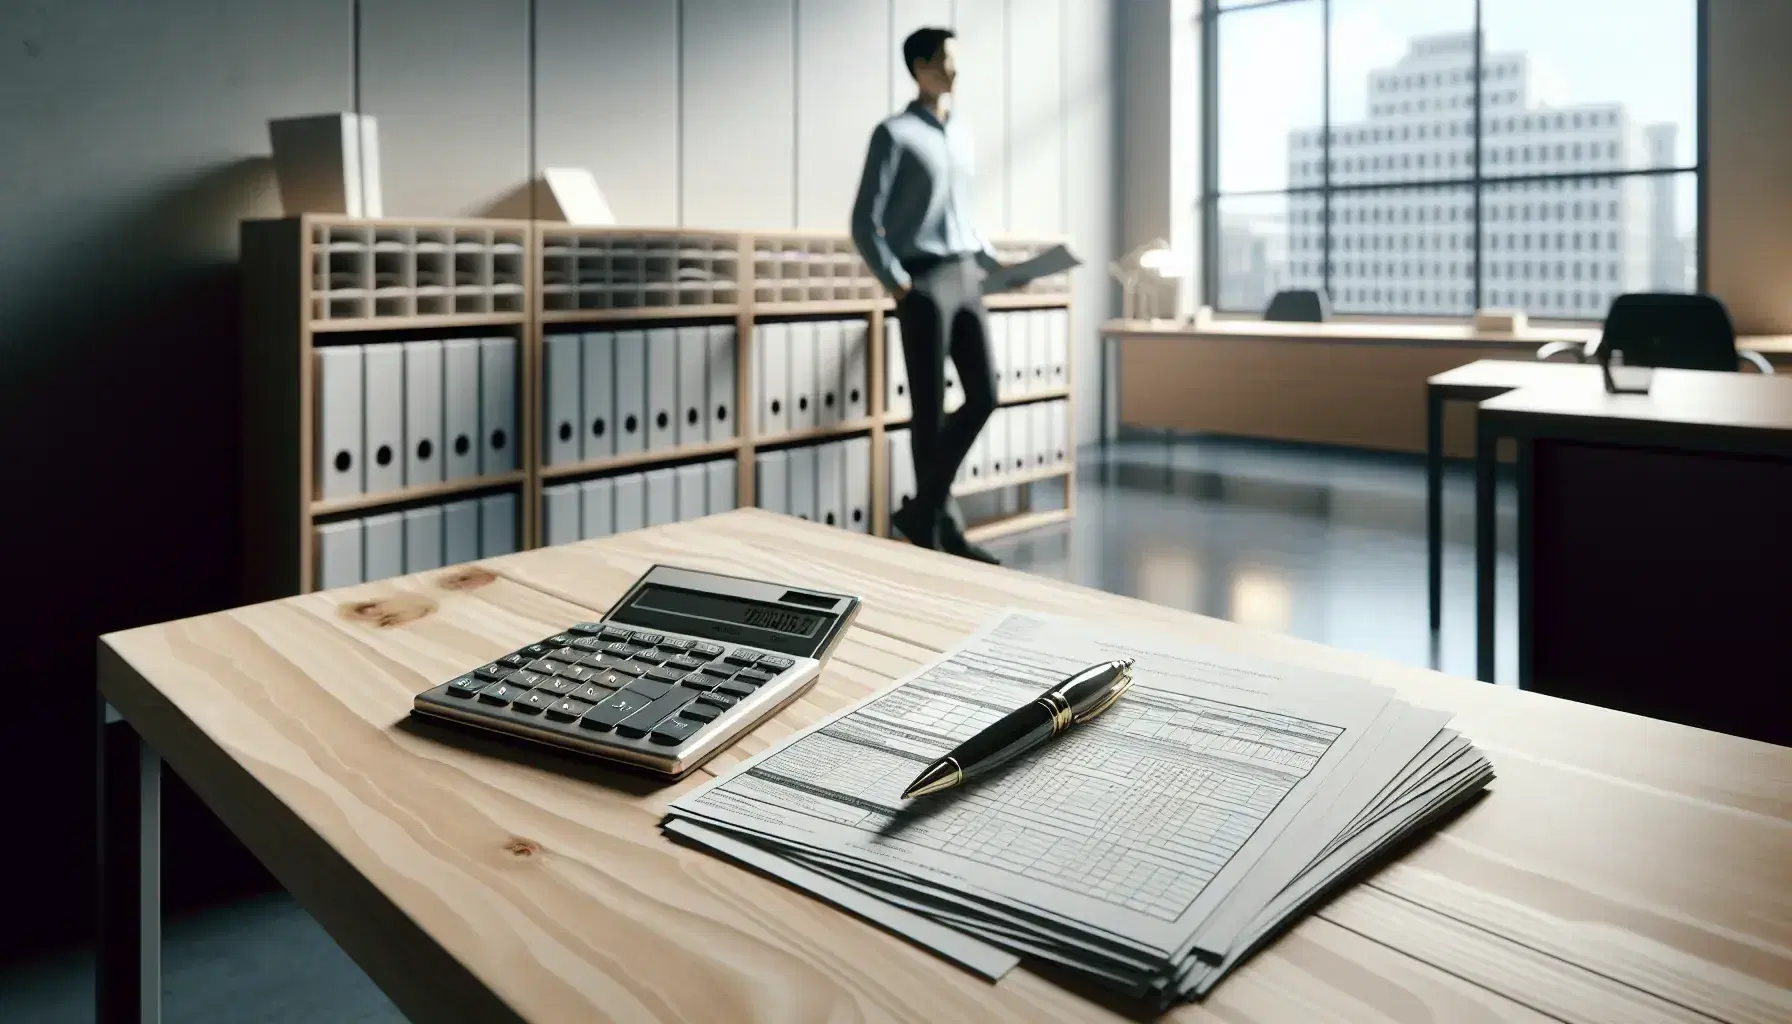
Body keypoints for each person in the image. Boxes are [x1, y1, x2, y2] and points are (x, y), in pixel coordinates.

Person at [850, 26, 1003, 565]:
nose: (954, 69)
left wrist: (994, 262)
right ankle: (944, 534)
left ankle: (925, 512)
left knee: (985, 395)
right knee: (929, 412)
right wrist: (897, 283)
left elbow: (963, 214)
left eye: (955, 59)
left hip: (966, 275)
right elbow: (864, 223)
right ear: (919, 67)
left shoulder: (961, 134)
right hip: (923, 282)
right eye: (944, 60)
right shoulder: (892, 135)